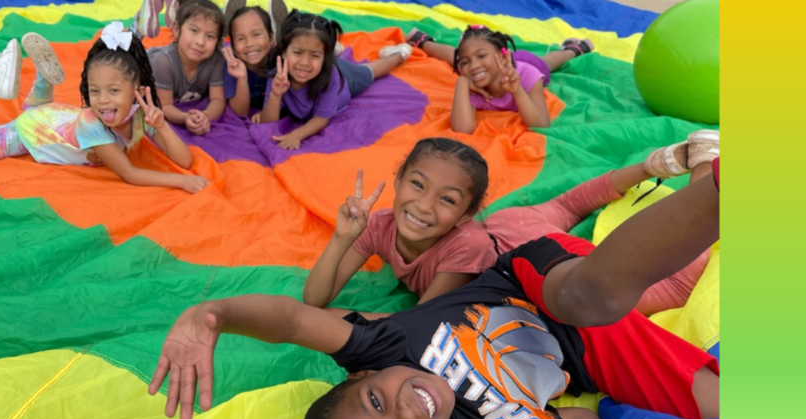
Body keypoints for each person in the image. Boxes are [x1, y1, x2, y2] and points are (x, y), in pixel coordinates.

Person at [147, 155, 722, 419]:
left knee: (589, 289)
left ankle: (719, 179)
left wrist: (210, 314)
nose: (406, 414)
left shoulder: (395, 342)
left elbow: (300, 316)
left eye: (376, 403)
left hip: (535, 278)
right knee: (722, 410)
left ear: (364, 371)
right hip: (588, 345)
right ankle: (702, 181)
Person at [305, 132, 719, 317]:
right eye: (417, 184)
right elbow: (314, 299)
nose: (424, 206)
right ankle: (654, 164)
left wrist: (335, 323)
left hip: (525, 253)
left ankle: (706, 174)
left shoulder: (463, 247)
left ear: (465, 215)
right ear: (397, 181)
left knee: (668, 289)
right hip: (508, 223)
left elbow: (422, 318)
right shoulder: (378, 225)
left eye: (446, 200)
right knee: (570, 203)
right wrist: (343, 239)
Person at [0, 26, 209, 193]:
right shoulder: (94, 125)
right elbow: (129, 174)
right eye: (94, 91)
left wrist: (161, 126)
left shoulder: (142, 113)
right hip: (32, 132)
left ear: (137, 88)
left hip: (55, 115)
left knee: (37, 109)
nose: (102, 100)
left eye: (113, 91)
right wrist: (180, 182)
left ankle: (44, 79)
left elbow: (184, 161)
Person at [260, 10, 412, 149]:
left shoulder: (332, 77)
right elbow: (267, 122)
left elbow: (321, 119)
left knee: (369, 72)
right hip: (323, 65)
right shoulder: (277, 74)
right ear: (284, 52)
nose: (305, 62)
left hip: (345, 76)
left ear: (324, 57)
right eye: (298, 52)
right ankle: (328, 49)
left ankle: (398, 54)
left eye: (314, 55)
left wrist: (297, 135)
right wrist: (275, 95)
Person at [405, 26, 593, 134]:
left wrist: (517, 90)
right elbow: (462, 129)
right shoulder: (471, 85)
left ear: (502, 56)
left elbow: (541, 123)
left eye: (481, 56)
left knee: (546, 63)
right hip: (492, 66)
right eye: (466, 62)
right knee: (454, 56)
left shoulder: (527, 74)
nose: (474, 65)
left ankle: (575, 49)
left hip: (522, 64)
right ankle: (425, 42)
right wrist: (461, 83)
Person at [147, 0, 228, 136]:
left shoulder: (216, 59)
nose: (200, 42)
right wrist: (185, 118)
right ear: (177, 30)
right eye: (194, 31)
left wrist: (205, 116)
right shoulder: (163, 62)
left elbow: (218, 100)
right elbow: (164, 106)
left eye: (210, 36)